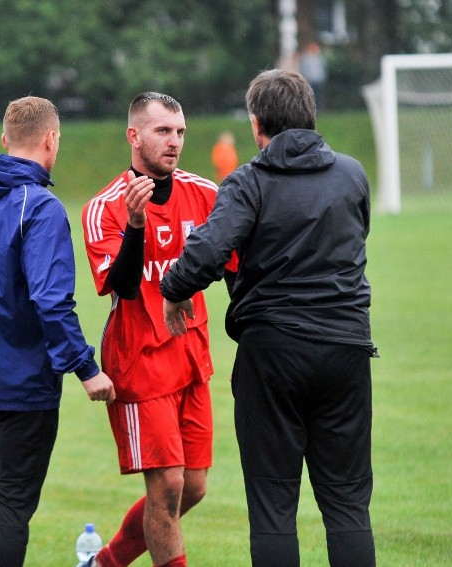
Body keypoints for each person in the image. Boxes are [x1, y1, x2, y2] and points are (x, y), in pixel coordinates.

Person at [161, 69, 378, 567]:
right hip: (345, 348)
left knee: (274, 505)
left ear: (257, 125)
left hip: (273, 352)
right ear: (311, 116)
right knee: (347, 502)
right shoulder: (351, 174)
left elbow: (208, 251)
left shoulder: (249, 181)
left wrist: (174, 290)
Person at [0, 96, 115, 567]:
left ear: (5, 140)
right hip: (24, 386)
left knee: (6, 496)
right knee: (13, 504)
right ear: (51, 140)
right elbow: (51, 300)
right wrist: (86, 368)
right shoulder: (43, 207)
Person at [80, 92, 237, 567]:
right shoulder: (104, 207)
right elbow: (124, 287)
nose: (174, 142)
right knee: (166, 486)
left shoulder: (206, 194)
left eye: (180, 132)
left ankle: (103, 563)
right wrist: (135, 225)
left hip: (192, 357)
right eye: (162, 131)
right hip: (140, 362)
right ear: (134, 136)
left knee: (192, 487)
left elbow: (235, 272)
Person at [299, 41, 327, 110]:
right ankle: (310, 109)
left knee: (318, 96)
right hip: (310, 80)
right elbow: (304, 69)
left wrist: (323, 78)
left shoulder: (319, 58)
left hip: (318, 80)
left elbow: (323, 69)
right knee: (310, 96)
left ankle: (319, 110)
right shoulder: (306, 58)